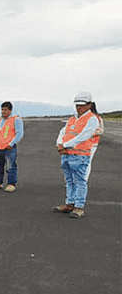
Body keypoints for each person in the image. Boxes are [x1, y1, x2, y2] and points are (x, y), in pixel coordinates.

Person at [52, 91, 100, 219]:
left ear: (89, 105)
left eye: (82, 105)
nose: (79, 107)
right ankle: (70, 203)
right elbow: (63, 131)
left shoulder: (92, 119)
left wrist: (65, 145)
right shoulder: (72, 119)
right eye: (77, 105)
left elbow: (85, 135)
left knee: (80, 181)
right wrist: (59, 143)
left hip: (80, 154)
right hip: (67, 154)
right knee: (69, 181)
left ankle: (79, 207)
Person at [0, 101, 24, 192]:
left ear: (10, 110)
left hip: (9, 148)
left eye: (5, 110)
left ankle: (11, 184)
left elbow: (19, 133)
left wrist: (11, 144)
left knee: (10, 166)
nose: (3, 111)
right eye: (2, 109)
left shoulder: (16, 119)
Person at [85, 106, 103, 181]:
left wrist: (92, 133)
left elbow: (101, 131)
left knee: (86, 162)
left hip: (92, 143)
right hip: (84, 143)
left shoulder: (97, 118)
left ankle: (83, 180)